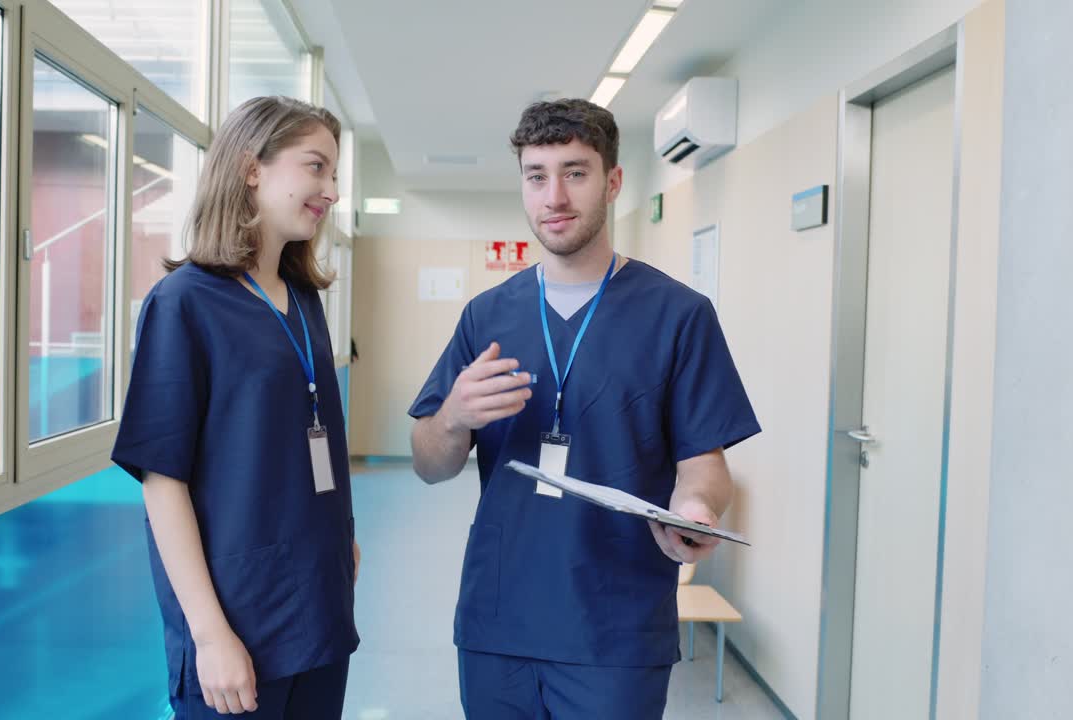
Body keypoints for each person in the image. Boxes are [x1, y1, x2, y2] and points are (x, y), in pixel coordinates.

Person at [409, 99, 761, 718]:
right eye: (536, 175)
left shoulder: (678, 315)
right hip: (500, 620)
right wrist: (453, 416)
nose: (554, 197)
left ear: (613, 182)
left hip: (615, 625)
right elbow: (429, 463)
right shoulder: (487, 316)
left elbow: (704, 462)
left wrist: (697, 511)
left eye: (575, 172)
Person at [112, 96, 359, 719]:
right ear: (252, 168)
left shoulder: (304, 301)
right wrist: (209, 634)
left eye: (334, 175)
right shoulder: (184, 303)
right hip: (239, 619)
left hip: (319, 607)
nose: (330, 190)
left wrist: (341, 537)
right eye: (316, 167)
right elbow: (162, 483)